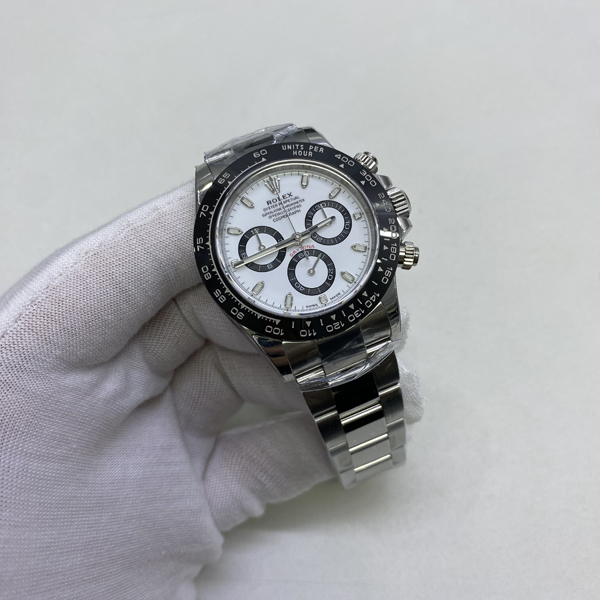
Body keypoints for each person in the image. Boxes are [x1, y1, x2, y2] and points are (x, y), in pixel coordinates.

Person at [0, 181, 423, 599]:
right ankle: (368, 449)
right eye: (292, 238)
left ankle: (371, 443)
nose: (299, 241)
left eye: (312, 231)